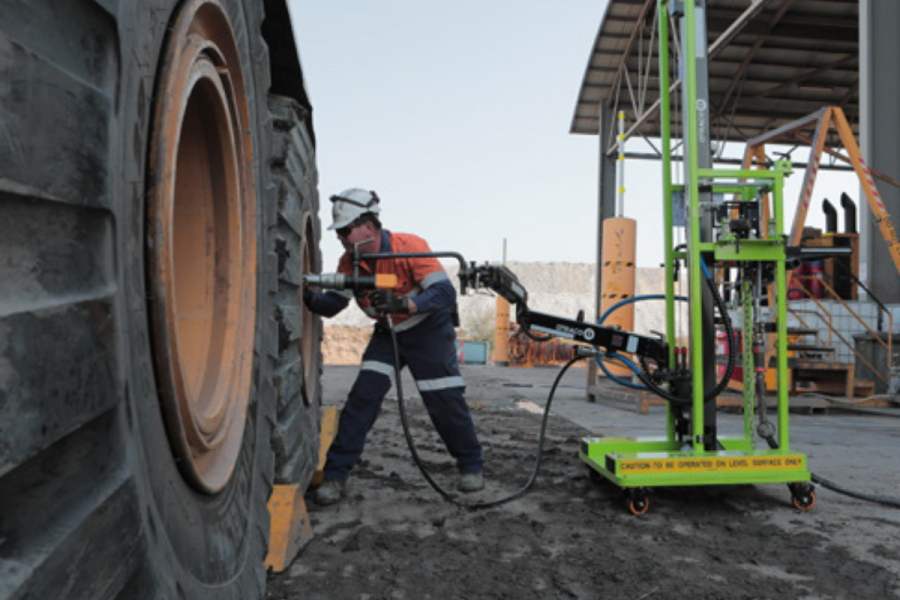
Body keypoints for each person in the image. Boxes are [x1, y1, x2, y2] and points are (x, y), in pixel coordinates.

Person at [304, 188, 485, 506]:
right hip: (388, 336)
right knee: (362, 399)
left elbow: (444, 294)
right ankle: (335, 475)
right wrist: (308, 298)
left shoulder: (409, 247)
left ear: (369, 226)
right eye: (340, 232)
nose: (342, 238)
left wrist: (405, 303)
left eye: (346, 230)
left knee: (444, 400)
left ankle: (470, 465)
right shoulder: (350, 261)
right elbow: (333, 305)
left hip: (428, 333)